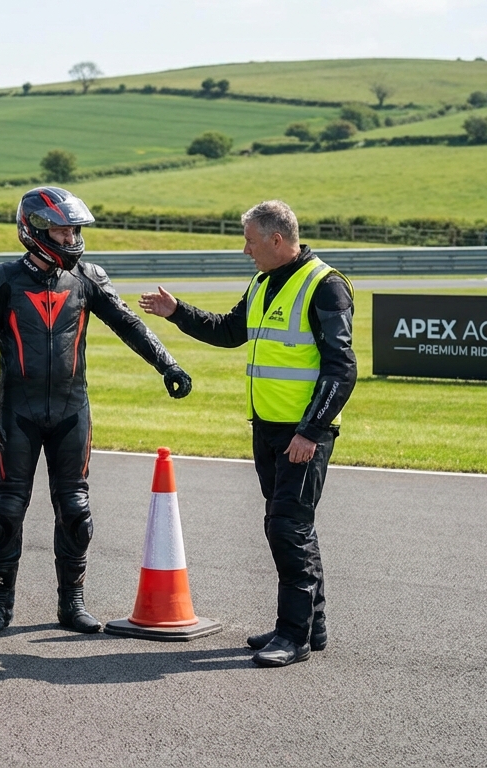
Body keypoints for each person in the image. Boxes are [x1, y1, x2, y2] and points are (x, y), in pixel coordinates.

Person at [0, 186, 192, 635]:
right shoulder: (0, 280)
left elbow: (129, 324)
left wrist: (168, 363)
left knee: (76, 511)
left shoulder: (89, 278)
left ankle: (72, 604)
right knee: (7, 513)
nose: (72, 239)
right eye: (64, 231)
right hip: (18, 413)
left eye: (74, 231)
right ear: (35, 230)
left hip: (72, 411)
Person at [138, 200, 355, 667]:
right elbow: (229, 331)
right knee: (293, 527)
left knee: (287, 529)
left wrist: (311, 431)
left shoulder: (326, 286)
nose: (245, 251)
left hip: (303, 435)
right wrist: (178, 311)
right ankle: (308, 626)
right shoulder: (262, 282)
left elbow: (342, 369)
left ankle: (293, 636)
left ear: (277, 240)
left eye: (251, 242)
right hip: (268, 429)